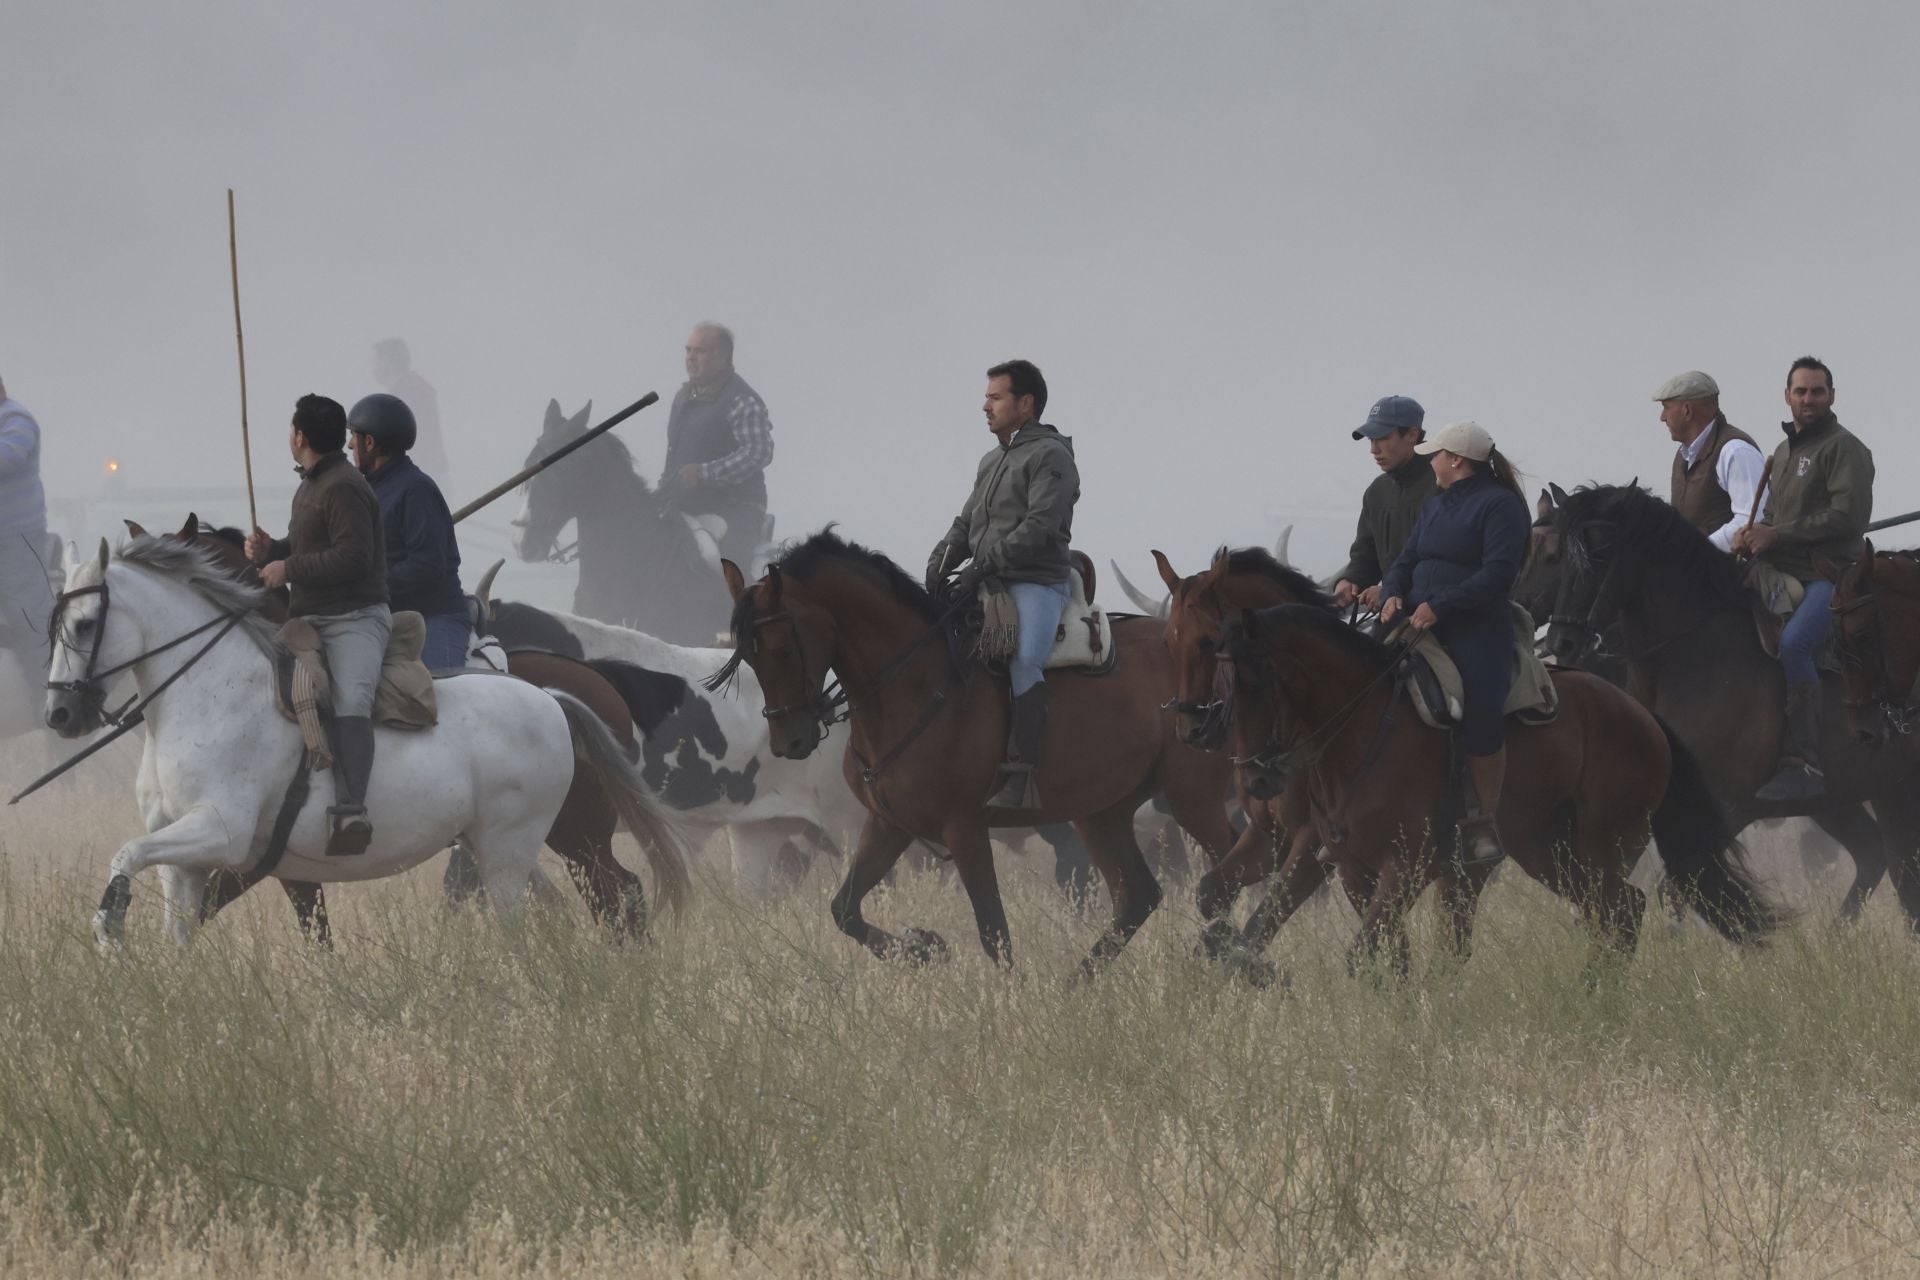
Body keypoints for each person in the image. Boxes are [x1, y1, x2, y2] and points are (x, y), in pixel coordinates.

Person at [925, 359, 1080, 810]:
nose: (985, 406)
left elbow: (1040, 526)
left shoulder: (1052, 455)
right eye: (986, 397)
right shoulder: (991, 460)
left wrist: (981, 566)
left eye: (995, 397)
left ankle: (1022, 774)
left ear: (1025, 403)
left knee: (1024, 659)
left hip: (1036, 582)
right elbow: (965, 522)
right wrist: (940, 562)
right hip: (987, 580)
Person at [1379, 420, 1531, 868]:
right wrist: (1392, 592)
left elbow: (1498, 573)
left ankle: (1482, 820)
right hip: (1415, 621)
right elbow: (1407, 559)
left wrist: (1441, 605)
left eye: (1437, 455)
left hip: (1475, 627)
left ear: (1457, 460)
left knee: (1480, 708)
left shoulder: (1501, 506)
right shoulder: (1436, 504)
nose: (1431, 462)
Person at [245, 394, 391, 855]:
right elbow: (307, 543)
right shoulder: (311, 483)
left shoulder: (344, 485)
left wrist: (288, 568)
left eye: (292, 429)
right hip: (308, 617)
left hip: (354, 619)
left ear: (300, 436)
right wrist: (272, 550)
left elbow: (354, 557)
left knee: (351, 699)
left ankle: (352, 810)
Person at [1732, 356, 1874, 801]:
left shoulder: (1845, 448)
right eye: (1801, 391)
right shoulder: (1782, 452)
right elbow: (1774, 514)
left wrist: (1777, 534)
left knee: (1794, 644)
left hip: (1829, 576)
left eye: (1817, 391)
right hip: (1779, 571)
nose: (1808, 399)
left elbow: (1848, 518)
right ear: (1787, 396)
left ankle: (1806, 764)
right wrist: (1752, 534)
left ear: (1831, 396)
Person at [347, 392, 469, 669]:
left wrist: (369, 586)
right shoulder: (365, 489)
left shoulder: (417, 490)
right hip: (382, 616)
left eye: (354, 436)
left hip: (434, 617)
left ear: (370, 442)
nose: (349, 444)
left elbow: (428, 565)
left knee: (435, 688)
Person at [660, 323, 774, 568]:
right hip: (686, 504)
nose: (691, 357)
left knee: (726, 571)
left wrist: (704, 473)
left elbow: (758, 452)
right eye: (688, 350)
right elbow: (674, 456)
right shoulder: (683, 398)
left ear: (723, 357)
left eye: (700, 351)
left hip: (736, 508)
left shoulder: (741, 400)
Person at [1333, 395, 1436, 610]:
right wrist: (1350, 580)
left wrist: (1390, 590)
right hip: (1393, 613)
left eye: (1382, 438)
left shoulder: (1445, 484)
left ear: (1412, 435)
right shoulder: (1376, 492)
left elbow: (1448, 562)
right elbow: (1365, 555)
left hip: (1443, 613)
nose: (1374, 449)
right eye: (1371, 440)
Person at [1655, 370, 1767, 550]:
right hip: (1697, 565)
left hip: (1732, 566)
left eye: (1666, 407)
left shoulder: (1735, 450)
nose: (1662, 417)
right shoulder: (1683, 456)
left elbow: (1752, 520)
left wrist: (1700, 550)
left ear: (1687, 410)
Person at [0, 375, 52, 663]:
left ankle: (44, 678)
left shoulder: (15, 419)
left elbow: (9, 457)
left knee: (28, 614)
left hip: (16, 537)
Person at [372, 339, 448, 483]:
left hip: (421, 477)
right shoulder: (411, 388)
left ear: (388, 362)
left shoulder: (408, 393)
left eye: (375, 362)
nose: (373, 369)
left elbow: (413, 442)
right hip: (423, 475)